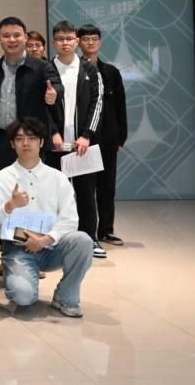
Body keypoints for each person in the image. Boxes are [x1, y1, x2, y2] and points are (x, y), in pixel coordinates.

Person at [0, 118, 93, 317]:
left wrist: (45, 240)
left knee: (83, 241)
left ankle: (65, 296)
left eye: (32, 138)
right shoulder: (0, 179)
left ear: (42, 142)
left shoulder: (58, 178)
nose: (26, 143)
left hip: (51, 246)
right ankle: (18, 273)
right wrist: (9, 206)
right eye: (19, 139)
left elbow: (70, 219)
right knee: (23, 297)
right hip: (17, 248)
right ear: (12, 144)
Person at [49, 21, 105, 258]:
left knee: (85, 194)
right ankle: (53, 239)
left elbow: (97, 103)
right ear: (54, 42)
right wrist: (51, 131)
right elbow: (40, 105)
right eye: (60, 39)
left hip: (82, 144)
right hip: (54, 144)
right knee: (53, 194)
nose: (65, 43)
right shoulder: (46, 68)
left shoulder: (89, 69)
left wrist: (86, 135)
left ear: (76, 41)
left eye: (70, 38)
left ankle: (90, 238)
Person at [0, 17, 63, 174]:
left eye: (16, 35)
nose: (12, 40)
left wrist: (54, 94)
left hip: (29, 140)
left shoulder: (42, 67)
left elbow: (56, 87)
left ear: (25, 37)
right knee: (1, 185)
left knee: (32, 185)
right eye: (6, 36)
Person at [77, 23, 128, 247]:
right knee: (84, 188)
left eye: (94, 39)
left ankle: (106, 230)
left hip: (108, 138)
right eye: (85, 39)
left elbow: (120, 106)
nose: (90, 42)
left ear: (100, 42)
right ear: (78, 42)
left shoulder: (111, 72)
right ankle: (85, 231)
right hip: (84, 138)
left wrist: (121, 137)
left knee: (107, 187)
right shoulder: (75, 68)